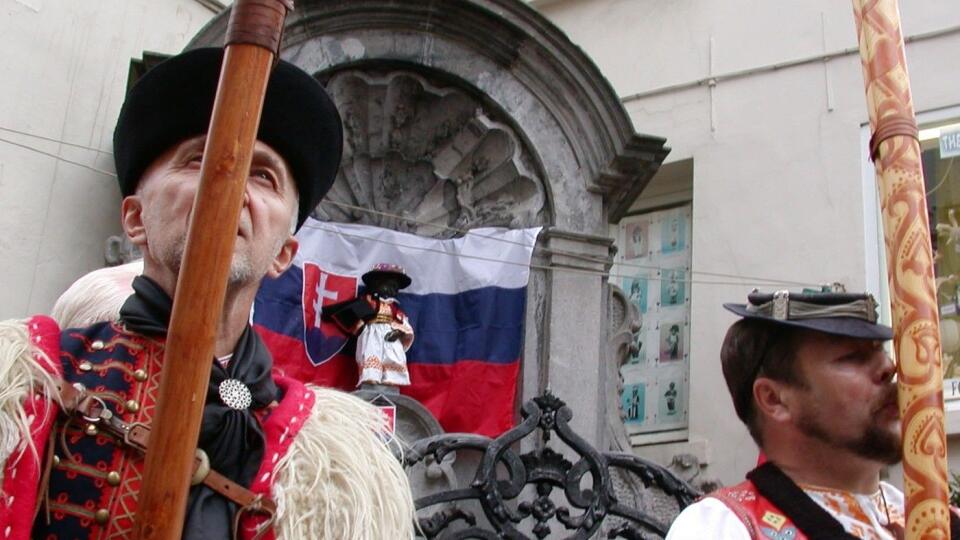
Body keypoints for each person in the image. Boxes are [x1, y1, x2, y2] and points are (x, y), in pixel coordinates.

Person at [0, 47, 414, 539]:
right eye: (199, 160)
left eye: (262, 175)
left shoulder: (331, 462)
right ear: (135, 219)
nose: (228, 183)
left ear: (284, 252)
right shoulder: (27, 382)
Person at [665, 288, 950, 539]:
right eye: (853, 357)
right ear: (774, 399)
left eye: (880, 351)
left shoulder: (941, 521)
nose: (889, 367)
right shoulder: (721, 530)